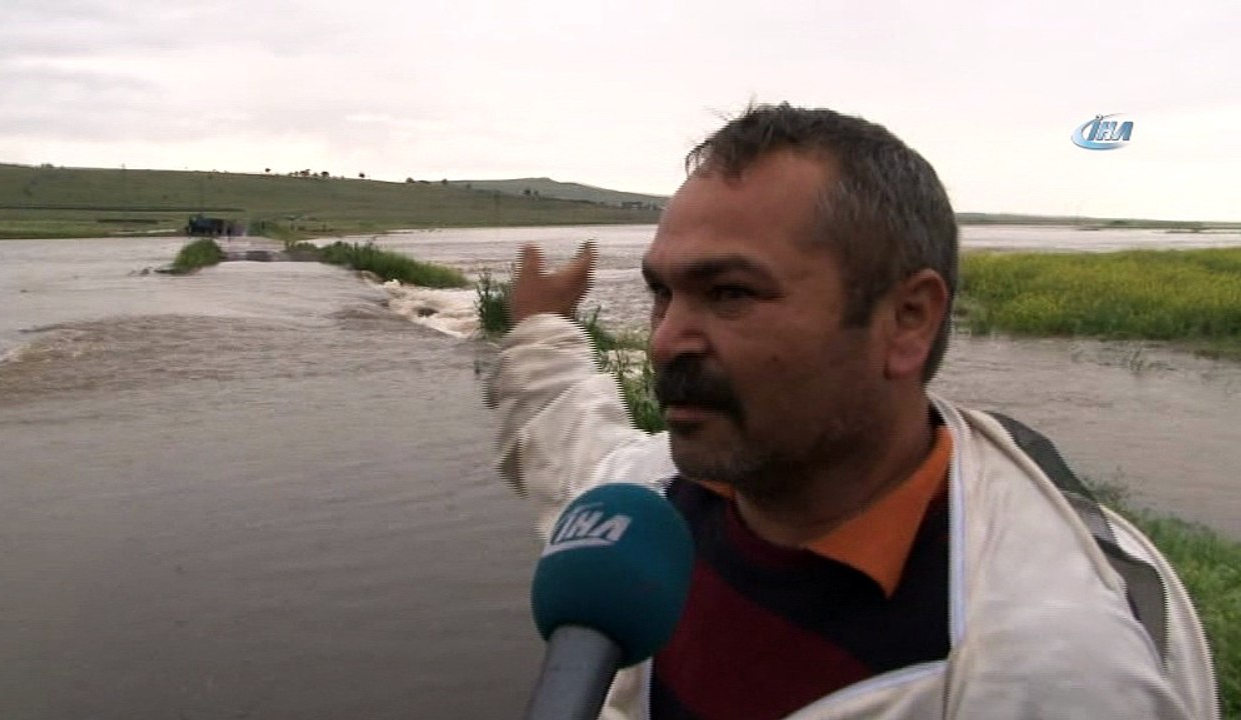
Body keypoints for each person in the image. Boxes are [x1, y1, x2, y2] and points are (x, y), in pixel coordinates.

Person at [484, 104, 1218, 719]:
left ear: (908, 320)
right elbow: (568, 439)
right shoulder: (650, 506)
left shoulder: (1050, 675)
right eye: (662, 293)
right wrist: (541, 328)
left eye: (730, 293)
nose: (667, 338)